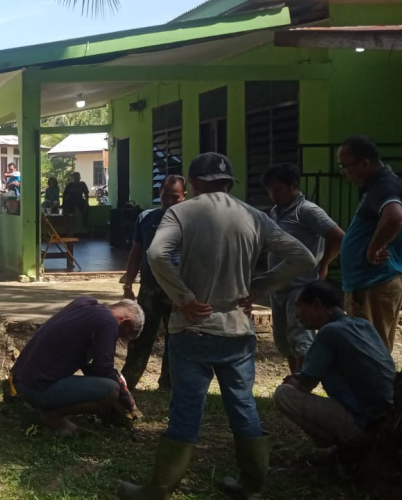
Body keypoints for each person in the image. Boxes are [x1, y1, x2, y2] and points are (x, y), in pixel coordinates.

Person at [118, 152, 315, 500]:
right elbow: (304, 257)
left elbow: (156, 254)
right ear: (229, 183)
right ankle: (252, 485)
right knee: (243, 405)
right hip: (238, 330)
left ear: (194, 183)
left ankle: (159, 489)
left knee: (186, 408)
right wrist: (260, 286)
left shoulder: (181, 213)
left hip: (193, 328)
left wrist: (183, 297)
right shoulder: (254, 215)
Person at [274, 280, 395, 463]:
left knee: (283, 394)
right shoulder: (363, 324)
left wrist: (294, 380)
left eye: (300, 307)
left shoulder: (329, 333)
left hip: (364, 426)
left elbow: (306, 385)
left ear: (317, 305)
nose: (298, 314)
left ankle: (343, 447)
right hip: (387, 420)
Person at [10, 297, 144, 436]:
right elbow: (103, 369)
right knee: (111, 390)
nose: (116, 338)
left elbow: (85, 361)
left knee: (110, 383)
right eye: (121, 334)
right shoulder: (110, 322)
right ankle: (53, 417)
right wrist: (125, 397)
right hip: (37, 390)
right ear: (125, 322)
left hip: (20, 381)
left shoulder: (83, 303)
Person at [263, 163, 344, 373]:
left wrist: (324, 264)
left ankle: (303, 383)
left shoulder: (307, 210)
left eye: (277, 189)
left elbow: (338, 237)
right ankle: (295, 379)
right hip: (278, 287)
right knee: (285, 341)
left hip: (300, 287)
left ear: (293, 186)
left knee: (301, 339)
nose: (273, 195)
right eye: (270, 190)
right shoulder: (275, 212)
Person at [121, 175, 187, 392]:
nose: (169, 201)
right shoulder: (146, 218)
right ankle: (128, 382)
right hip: (149, 288)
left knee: (175, 337)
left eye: (175, 197)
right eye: (165, 196)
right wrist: (128, 285)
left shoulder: (190, 221)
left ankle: (168, 384)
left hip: (176, 290)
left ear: (184, 196)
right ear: (159, 194)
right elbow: (136, 252)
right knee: (140, 335)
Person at [339, 135, 402, 352]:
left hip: (373, 282)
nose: (343, 172)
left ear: (364, 163)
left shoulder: (384, 186)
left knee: (371, 352)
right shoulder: (376, 186)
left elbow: (394, 216)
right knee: (367, 349)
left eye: (344, 166)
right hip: (368, 282)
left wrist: (373, 249)